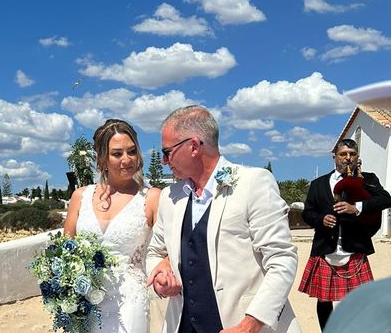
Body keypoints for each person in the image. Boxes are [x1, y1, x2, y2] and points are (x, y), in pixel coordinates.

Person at [147, 105, 299, 333]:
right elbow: (155, 252)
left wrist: (252, 323)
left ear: (194, 146)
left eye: (167, 152)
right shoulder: (170, 196)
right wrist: (160, 275)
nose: (164, 162)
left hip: (242, 326)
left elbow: (282, 259)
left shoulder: (253, 183)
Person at [64, 118, 162, 332]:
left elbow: (169, 245)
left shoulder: (152, 197)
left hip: (129, 299)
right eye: (117, 153)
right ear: (102, 158)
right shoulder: (80, 196)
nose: (127, 159)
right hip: (85, 300)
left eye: (132, 151)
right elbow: (65, 251)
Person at [298, 138, 391, 330]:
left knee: (362, 300)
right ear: (334, 157)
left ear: (357, 157)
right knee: (324, 300)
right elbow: (308, 212)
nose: (348, 158)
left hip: (354, 247)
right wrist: (320, 219)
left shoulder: (368, 180)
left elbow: (385, 200)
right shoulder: (318, 184)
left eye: (352, 154)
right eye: (343, 154)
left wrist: (356, 208)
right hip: (325, 248)